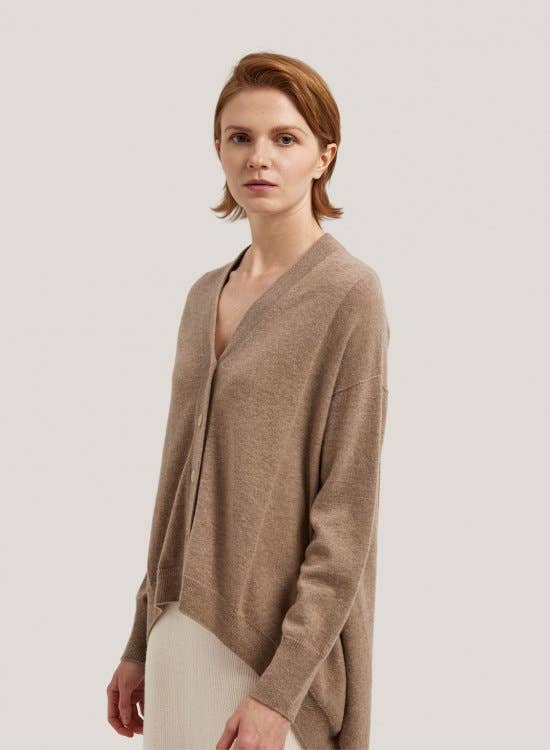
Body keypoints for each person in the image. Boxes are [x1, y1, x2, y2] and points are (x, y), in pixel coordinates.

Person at [107, 51, 389, 750]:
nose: (259, 157)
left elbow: (346, 518)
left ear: (324, 157)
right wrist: (140, 639)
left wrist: (280, 689)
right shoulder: (204, 294)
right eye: (241, 137)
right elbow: (177, 485)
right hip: (177, 641)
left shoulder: (349, 294)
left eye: (284, 138)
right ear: (219, 150)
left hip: (272, 662)